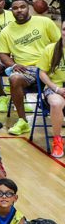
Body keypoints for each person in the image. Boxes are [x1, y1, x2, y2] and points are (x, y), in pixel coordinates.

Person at [0, 0, 61, 136]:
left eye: (22, 7)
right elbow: (3, 54)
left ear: (29, 8)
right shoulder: (6, 31)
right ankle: (23, 121)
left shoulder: (45, 22)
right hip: (28, 69)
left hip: (51, 67)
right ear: (11, 11)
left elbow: (60, 44)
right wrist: (13, 64)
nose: (19, 10)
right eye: (15, 8)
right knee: (14, 79)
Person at [36, 17, 65, 158]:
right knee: (56, 103)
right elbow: (42, 73)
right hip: (55, 88)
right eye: (64, 29)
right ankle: (58, 140)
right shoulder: (51, 49)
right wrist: (56, 89)